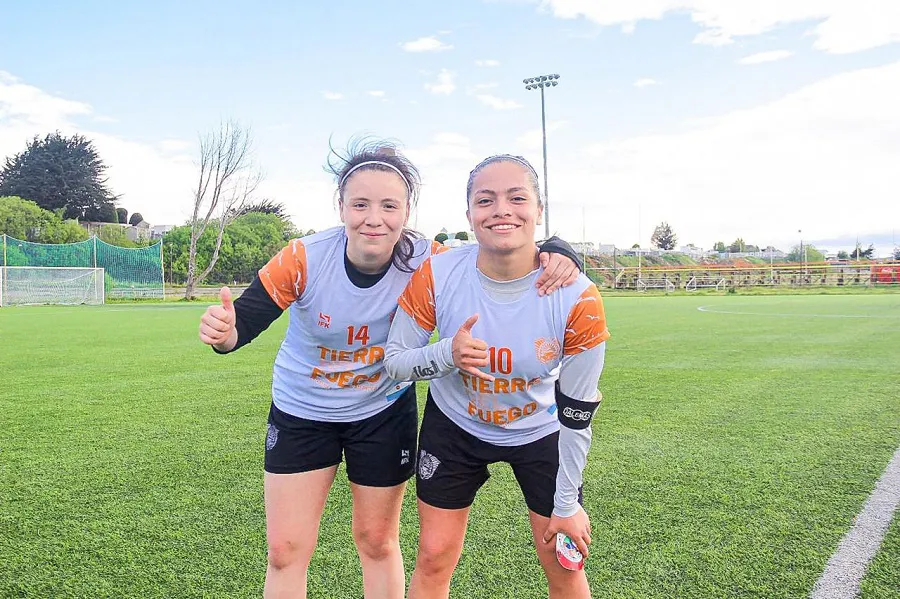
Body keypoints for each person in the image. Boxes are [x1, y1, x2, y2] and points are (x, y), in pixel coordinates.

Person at [197, 138, 585, 599]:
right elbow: (245, 321)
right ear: (340, 206)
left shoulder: (427, 256)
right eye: (360, 204)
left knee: (377, 542)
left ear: (407, 211)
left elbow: (498, 250)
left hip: (380, 414)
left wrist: (559, 250)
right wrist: (225, 334)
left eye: (389, 205)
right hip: (303, 412)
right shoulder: (303, 257)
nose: (373, 218)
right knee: (285, 550)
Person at [384, 154, 610, 599]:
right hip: (456, 426)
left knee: (565, 565)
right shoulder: (439, 272)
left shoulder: (578, 297)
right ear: (469, 214)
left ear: (539, 210)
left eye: (517, 197)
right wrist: (446, 353)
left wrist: (566, 505)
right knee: (433, 557)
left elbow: (578, 416)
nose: (502, 210)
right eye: (485, 200)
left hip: (541, 431)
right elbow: (395, 362)